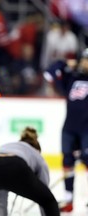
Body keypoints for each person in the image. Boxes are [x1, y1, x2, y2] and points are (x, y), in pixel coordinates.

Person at [44, 48, 88, 212]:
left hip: (87, 129)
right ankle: (69, 201)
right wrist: (63, 62)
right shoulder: (72, 78)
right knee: (67, 162)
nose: (84, 63)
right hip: (69, 128)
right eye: (83, 59)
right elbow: (49, 73)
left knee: (87, 159)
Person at [0, 127, 60, 216]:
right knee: (49, 201)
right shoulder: (37, 155)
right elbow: (44, 194)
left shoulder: (9, 145)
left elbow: (2, 191)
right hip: (15, 165)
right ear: (37, 150)